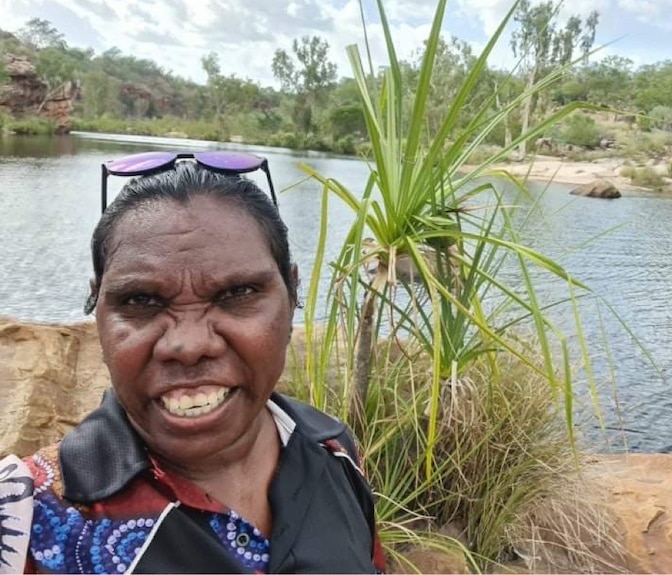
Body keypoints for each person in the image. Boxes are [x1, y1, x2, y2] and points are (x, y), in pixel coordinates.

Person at [0, 152, 386, 574]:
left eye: (237, 293)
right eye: (141, 301)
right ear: (98, 308)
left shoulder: (333, 451)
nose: (189, 345)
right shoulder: (26, 520)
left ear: (291, 294)